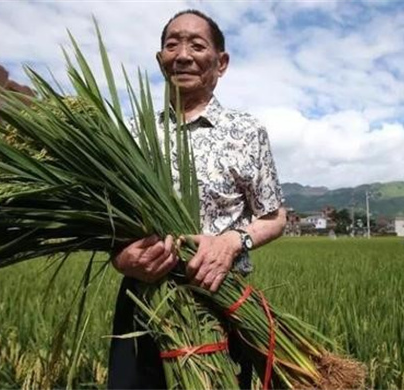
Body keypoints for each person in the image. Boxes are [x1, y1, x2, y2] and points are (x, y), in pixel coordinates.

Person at [107, 9, 287, 389]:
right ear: (160, 61)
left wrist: (231, 241)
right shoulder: (134, 135)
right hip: (144, 299)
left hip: (221, 298)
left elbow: (274, 217)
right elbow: (107, 220)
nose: (183, 55)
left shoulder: (247, 131)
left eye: (197, 45)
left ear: (221, 63)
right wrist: (121, 257)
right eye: (171, 45)